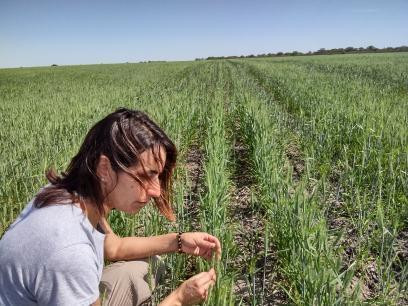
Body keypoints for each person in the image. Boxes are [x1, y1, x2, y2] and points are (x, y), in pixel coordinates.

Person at [0, 108, 221, 306]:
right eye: (145, 176)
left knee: (142, 270)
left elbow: (114, 247)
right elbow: (74, 257)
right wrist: (178, 299)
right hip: (66, 272)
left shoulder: (69, 195)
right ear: (105, 168)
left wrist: (180, 241)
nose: (155, 191)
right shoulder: (70, 253)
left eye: (158, 176)